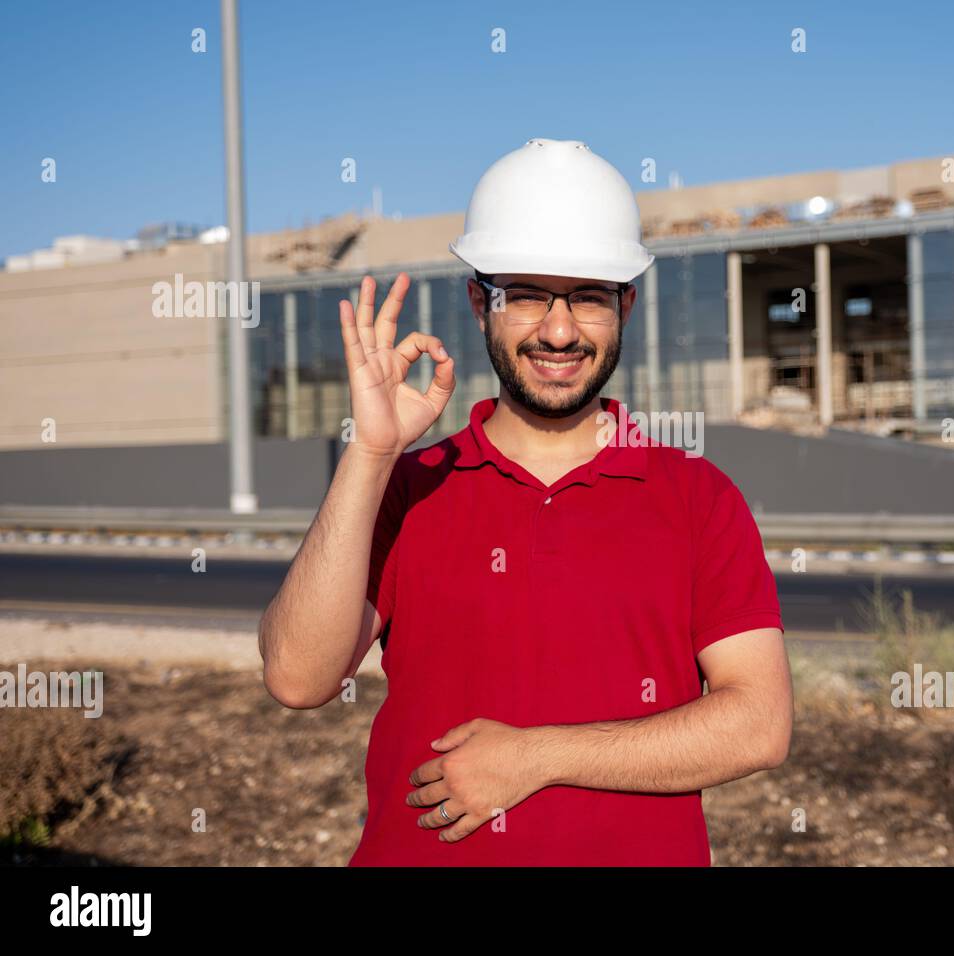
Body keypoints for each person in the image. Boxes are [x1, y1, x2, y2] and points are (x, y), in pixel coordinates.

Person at [258, 138, 792, 866]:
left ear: (625, 304)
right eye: (530, 295)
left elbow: (758, 725)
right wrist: (371, 455)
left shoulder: (697, 497)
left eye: (589, 297)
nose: (560, 330)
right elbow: (297, 677)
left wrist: (536, 757)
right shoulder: (408, 488)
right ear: (481, 301)